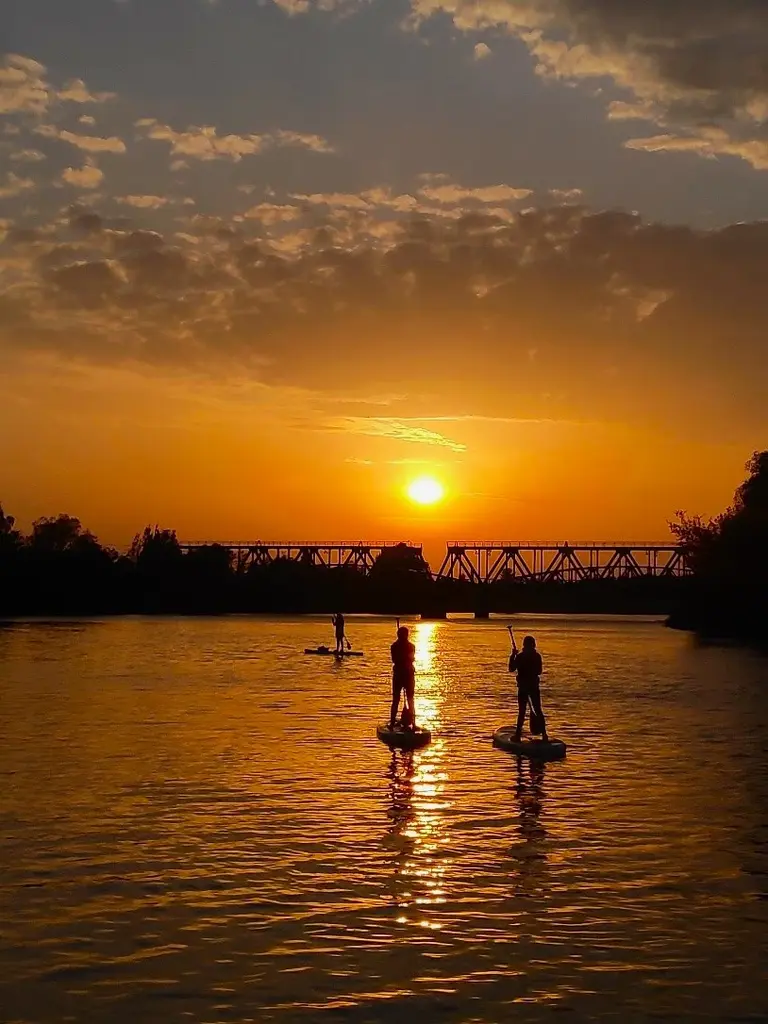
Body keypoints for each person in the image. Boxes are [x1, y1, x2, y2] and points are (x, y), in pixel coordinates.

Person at [509, 632, 549, 743]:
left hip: (523, 687)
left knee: (522, 711)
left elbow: (511, 668)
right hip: (533, 687)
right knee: (538, 710)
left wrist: (513, 656)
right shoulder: (537, 656)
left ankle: (517, 735)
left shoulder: (520, 657)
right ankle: (544, 735)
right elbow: (539, 671)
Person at [390, 625, 416, 730]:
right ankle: (393, 721)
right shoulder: (396, 646)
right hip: (403, 675)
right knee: (398, 699)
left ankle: (412, 722)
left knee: (409, 699)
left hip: (406, 675)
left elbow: (408, 659)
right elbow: (396, 660)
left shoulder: (408, 646)